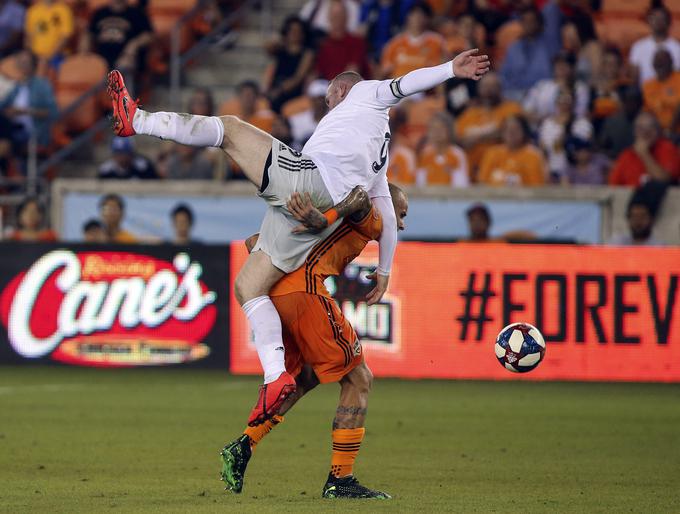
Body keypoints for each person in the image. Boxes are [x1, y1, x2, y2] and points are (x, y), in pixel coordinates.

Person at [106, 47, 489, 425]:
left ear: (342, 90)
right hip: (312, 212)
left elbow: (406, 83)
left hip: (311, 180)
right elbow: (385, 208)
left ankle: (136, 120)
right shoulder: (379, 151)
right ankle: (275, 377)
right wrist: (385, 269)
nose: (327, 107)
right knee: (249, 286)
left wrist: (450, 69)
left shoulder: (365, 93)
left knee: (230, 129)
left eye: (328, 99)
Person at [220, 183, 409, 499]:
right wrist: (333, 217)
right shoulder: (373, 218)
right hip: (305, 289)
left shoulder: (334, 221)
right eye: (400, 215)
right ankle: (341, 479)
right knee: (358, 379)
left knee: (304, 377)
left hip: (277, 290)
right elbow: (360, 196)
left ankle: (244, 445)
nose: (400, 224)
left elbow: (255, 241)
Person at [455, 72, 521, 174]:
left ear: (500, 89)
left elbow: (506, 134)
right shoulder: (470, 113)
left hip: (502, 170)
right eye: (485, 86)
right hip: (472, 170)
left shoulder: (511, 109)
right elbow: (461, 141)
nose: (489, 90)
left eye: (493, 86)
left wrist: (476, 137)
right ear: (479, 89)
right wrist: (490, 135)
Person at [0, 49, 58, 149]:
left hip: (31, 130)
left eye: (26, 62)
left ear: (33, 65)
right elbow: (2, 106)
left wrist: (26, 111)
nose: (22, 65)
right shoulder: (16, 86)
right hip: (10, 126)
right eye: (20, 62)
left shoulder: (42, 85)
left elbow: (53, 113)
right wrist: (8, 112)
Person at [608, 112, 680, 186]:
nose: (645, 132)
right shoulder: (626, 155)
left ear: (658, 130)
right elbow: (613, 187)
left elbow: (664, 180)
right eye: (640, 128)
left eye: (650, 127)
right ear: (634, 132)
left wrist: (644, 154)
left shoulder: (667, 148)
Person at [499, 7, 555, 101]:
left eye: (532, 21)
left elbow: (550, 76)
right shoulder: (513, 48)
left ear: (539, 23)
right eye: (525, 21)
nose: (528, 25)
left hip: (540, 95)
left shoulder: (549, 46)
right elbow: (504, 76)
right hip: (514, 94)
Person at [262, 16, 315, 113]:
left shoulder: (307, 53)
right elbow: (267, 46)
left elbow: (298, 78)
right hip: (276, 86)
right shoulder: (280, 49)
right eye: (291, 30)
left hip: (293, 90)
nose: (295, 34)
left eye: (298, 31)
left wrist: (279, 90)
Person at [537, 89, 593, 180]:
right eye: (561, 100)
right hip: (552, 170)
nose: (564, 104)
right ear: (556, 103)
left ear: (574, 103)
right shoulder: (547, 124)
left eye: (568, 100)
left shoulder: (582, 124)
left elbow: (586, 150)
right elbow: (542, 150)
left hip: (575, 172)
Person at [478, 114, 546, 186]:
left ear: (524, 131)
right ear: (502, 132)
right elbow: (483, 183)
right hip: (494, 196)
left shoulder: (533, 156)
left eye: (515, 129)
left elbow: (537, 186)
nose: (511, 133)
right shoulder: (492, 153)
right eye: (507, 129)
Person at [380, 3, 445, 79]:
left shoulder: (437, 42)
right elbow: (384, 72)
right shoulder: (395, 43)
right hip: (398, 86)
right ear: (408, 17)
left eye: (421, 15)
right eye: (414, 15)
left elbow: (441, 72)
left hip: (424, 87)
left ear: (428, 19)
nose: (417, 18)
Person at [523, 52, 589, 124]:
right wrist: (540, 120)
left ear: (572, 68)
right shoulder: (542, 85)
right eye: (558, 63)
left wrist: (556, 121)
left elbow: (580, 112)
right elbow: (526, 109)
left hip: (568, 127)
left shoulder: (579, 87)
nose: (561, 66)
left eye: (565, 64)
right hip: (540, 126)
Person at [315, 1, 369, 81]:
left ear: (346, 17)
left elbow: (352, 72)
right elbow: (316, 72)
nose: (338, 19)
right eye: (335, 16)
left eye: (340, 15)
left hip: (348, 87)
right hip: (326, 87)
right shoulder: (322, 44)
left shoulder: (356, 42)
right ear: (329, 17)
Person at [629, 3, 680, 85]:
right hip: (645, 93)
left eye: (661, 19)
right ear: (648, 21)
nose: (658, 22)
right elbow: (634, 78)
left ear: (669, 22)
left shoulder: (677, 48)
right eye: (655, 18)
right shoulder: (638, 47)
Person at [416, 112, 469, 187]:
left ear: (449, 130)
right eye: (433, 128)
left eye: (441, 128)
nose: (437, 132)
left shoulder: (458, 155)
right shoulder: (425, 154)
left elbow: (462, 184)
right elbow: (420, 183)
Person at [24, 0, 73, 74]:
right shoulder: (32, 11)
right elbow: (28, 37)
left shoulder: (64, 10)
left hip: (57, 56)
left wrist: (49, 56)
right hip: (36, 57)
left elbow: (65, 37)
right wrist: (33, 56)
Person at [598, 86, 642, 159]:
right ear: (623, 103)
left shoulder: (648, 123)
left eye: (634, 101)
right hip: (616, 162)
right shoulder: (611, 121)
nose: (631, 105)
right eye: (628, 101)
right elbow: (603, 147)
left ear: (640, 104)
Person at [642, 49, 680, 132]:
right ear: (653, 64)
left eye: (663, 61)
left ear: (671, 62)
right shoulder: (647, 85)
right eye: (657, 62)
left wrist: (670, 130)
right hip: (654, 133)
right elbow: (646, 112)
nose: (660, 64)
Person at [287, 79, 329, 150]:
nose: (320, 102)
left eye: (323, 98)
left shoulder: (336, 119)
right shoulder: (296, 120)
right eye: (317, 99)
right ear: (311, 99)